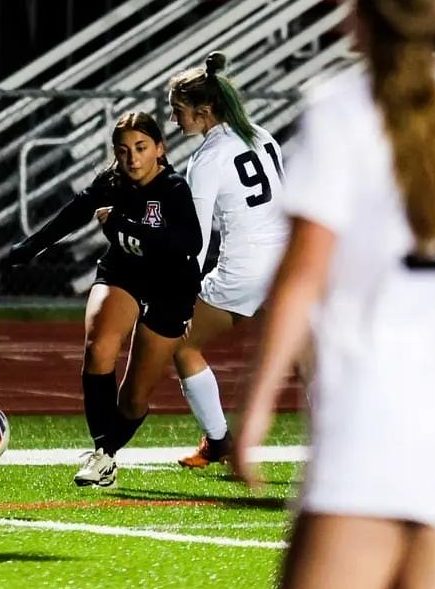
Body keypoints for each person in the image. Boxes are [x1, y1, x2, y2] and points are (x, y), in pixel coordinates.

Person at [232, 0, 435, 586]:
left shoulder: (341, 112)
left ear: (359, 17)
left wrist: (256, 408)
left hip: (377, 417)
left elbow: (301, 278)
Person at [8, 112, 202, 487]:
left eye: (141, 148)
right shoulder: (112, 181)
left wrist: (123, 226)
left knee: (132, 401)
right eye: (123, 150)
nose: (132, 158)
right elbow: (74, 213)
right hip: (122, 274)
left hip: (170, 286)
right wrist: (30, 247)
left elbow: (189, 245)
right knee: (99, 347)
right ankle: (103, 454)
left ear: (159, 149)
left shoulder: (174, 188)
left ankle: (108, 450)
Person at [168, 52, 290, 468]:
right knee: (309, 359)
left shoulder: (206, 159)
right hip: (286, 263)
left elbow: (197, 238)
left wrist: (183, 292)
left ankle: (219, 441)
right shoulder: (261, 134)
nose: (173, 121)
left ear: (204, 111)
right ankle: (340, 450)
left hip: (244, 268)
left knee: (183, 346)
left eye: (178, 111)